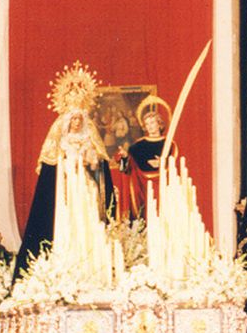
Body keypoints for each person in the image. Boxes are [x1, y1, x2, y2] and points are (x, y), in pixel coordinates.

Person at [16, 101, 112, 279]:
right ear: (67, 121)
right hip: (67, 183)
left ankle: (89, 256)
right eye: (73, 118)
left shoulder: (87, 140)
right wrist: (68, 163)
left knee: (86, 215)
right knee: (66, 216)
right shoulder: (61, 141)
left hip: (84, 184)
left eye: (79, 118)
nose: (76, 122)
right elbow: (54, 163)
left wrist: (89, 161)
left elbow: (95, 162)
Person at [115, 95, 170, 220]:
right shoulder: (138, 145)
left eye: (152, 123)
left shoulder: (168, 144)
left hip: (162, 186)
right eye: (147, 124)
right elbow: (129, 165)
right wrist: (124, 157)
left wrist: (163, 163)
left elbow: (175, 165)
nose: (150, 126)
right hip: (141, 187)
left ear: (159, 124)